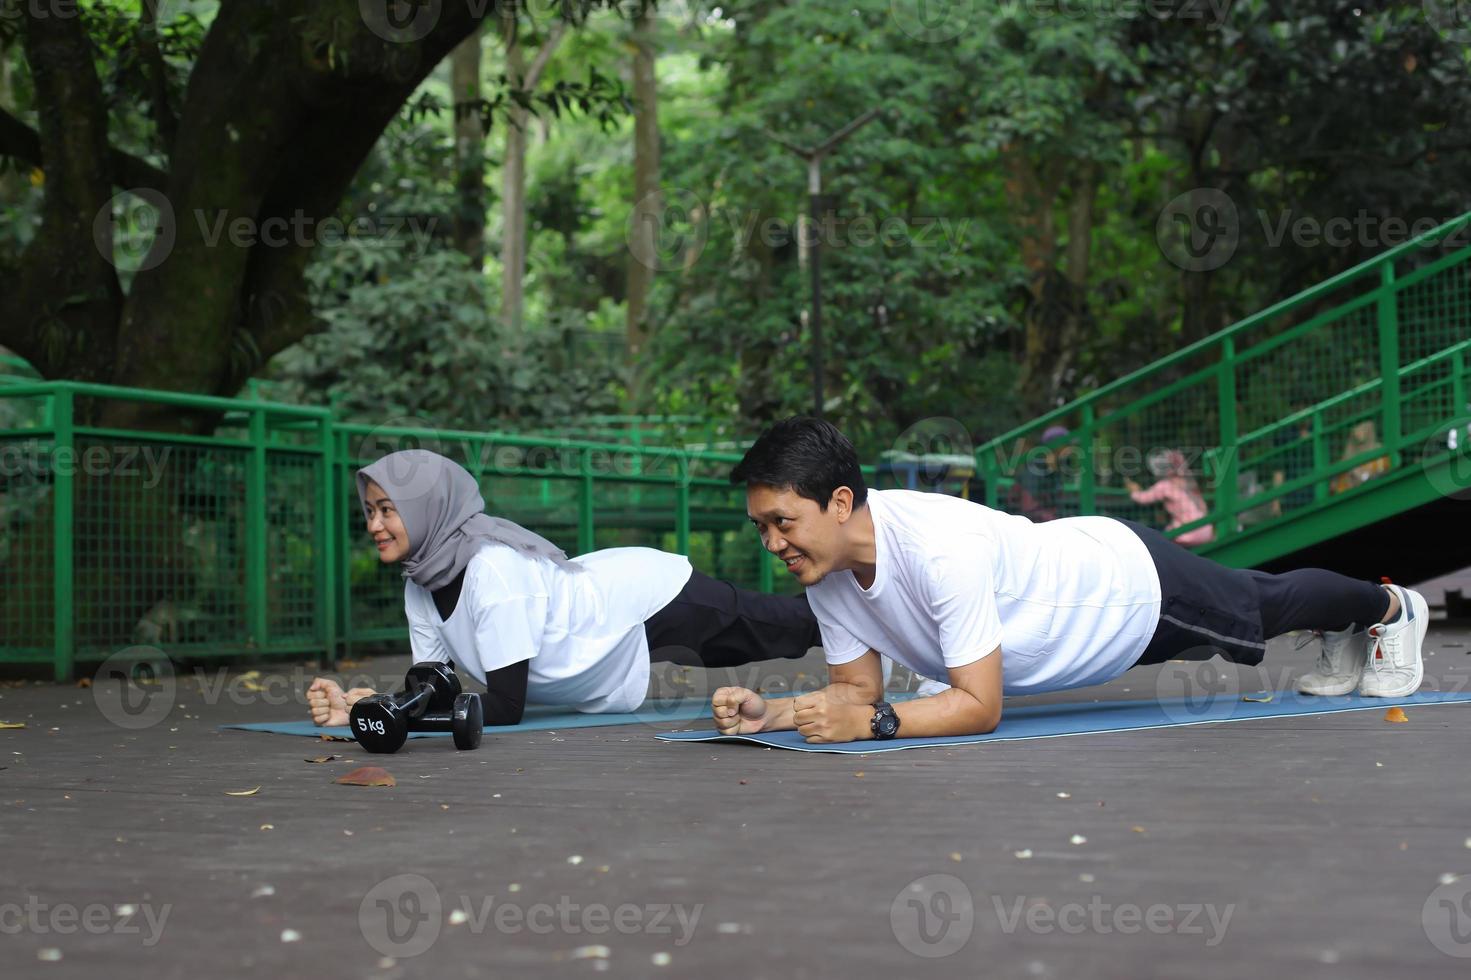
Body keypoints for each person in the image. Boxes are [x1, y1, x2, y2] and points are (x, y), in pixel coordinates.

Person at [709, 417, 1427, 744]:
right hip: (1076, 595)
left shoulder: (935, 549)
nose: (772, 543)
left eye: (782, 522)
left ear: (839, 503)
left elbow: (976, 707)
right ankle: (1353, 628)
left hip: (1124, 591)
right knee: (1261, 603)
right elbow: (853, 694)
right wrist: (770, 715)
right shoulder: (827, 569)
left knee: (1262, 607)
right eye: (760, 527)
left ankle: (1389, 609)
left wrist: (873, 725)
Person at [307, 450, 821, 727]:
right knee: (782, 630)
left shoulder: (492, 570)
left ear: (426, 510)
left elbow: (506, 706)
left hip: (648, 599)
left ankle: (877, 618)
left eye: (388, 509)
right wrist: (368, 709)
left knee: (786, 628)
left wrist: (394, 714)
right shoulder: (421, 581)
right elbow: (433, 689)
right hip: (606, 634)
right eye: (370, 510)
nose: (375, 524)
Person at [1125, 448, 1215, 546]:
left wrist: (1133, 490)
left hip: (1189, 533)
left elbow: (1142, 498)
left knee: (1157, 538)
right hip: (1206, 530)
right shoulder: (1185, 480)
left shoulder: (1165, 485)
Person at [1329, 420, 1391, 494]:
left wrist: (1361, 476)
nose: (1358, 431)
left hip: (1371, 490)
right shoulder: (1347, 455)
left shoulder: (1380, 452)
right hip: (1346, 494)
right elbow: (1332, 486)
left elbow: (1383, 473)